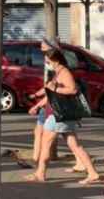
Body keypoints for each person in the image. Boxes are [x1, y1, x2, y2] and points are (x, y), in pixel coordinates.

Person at [24, 50, 99, 184]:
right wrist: (37, 105)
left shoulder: (64, 73)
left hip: (58, 115)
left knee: (45, 144)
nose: (46, 62)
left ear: (55, 60)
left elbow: (72, 89)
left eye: (47, 60)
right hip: (62, 116)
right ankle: (93, 173)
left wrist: (55, 89)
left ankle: (40, 174)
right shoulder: (58, 73)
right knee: (75, 146)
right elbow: (49, 94)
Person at [27, 37, 84, 172]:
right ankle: (88, 169)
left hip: (56, 111)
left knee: (46, 141)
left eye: (44, 48)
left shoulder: (62, 70)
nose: (41, 51)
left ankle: (38, 169)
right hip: (54, 109)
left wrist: (38, 104)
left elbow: (69, 89)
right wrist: (37, 97)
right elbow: (49, 89)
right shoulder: (56, 70)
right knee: (72, 142)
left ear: (52, 53)